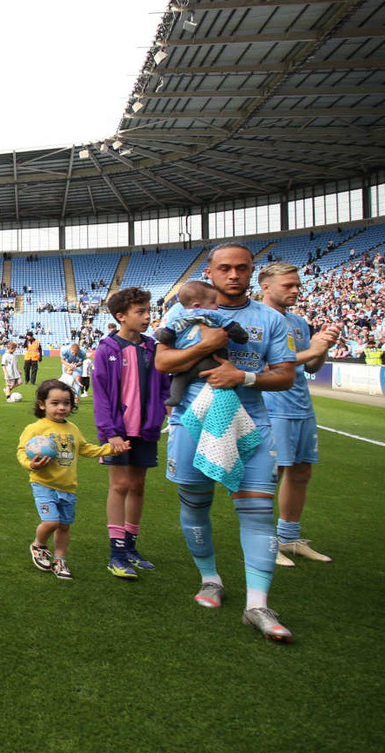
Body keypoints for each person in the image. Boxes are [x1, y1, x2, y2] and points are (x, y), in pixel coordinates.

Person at [155, 242, 297, 642]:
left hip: (251, 423)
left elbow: (285, 375)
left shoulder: (270, 320)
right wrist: (205, 345)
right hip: (190, 421)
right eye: (225, 268)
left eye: (242, 268)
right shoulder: (180, 313)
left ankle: (258, 605)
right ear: (211, 271)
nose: (234, 275)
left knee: (257, 513)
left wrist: (244, 377)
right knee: (195, 504)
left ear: (253, 272)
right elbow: (161, 362)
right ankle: (210, 578)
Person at [258, 263, 340, 566]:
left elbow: (309, 368)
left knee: (302, 472)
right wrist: (311, 350)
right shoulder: (257, 320)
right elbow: (260, 368)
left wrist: (322, 349)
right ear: (266, 286)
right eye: (288, 285)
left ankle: (289, 537)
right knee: (271, 475)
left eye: (297, 285)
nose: (295, 290)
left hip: (301, 407)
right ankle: (265, 542)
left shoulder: (298, 323)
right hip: (271, 408)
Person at [91, 287, 170, 579]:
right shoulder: (107, 349)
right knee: (120, 485)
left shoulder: (153, 348)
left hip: (146, 429)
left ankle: (132, 547)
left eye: (149, 311)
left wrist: (163, 414)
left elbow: (164, 388)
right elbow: (100, 396)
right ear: (121, 316)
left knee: (138, 486)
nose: (148, 317)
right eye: (141, 312)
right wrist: (109, 433)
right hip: (117, 432)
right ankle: (116, 553)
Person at [19, 379, 125, 580]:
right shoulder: (36, 428)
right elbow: (22, 451)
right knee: (51, 522)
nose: (62, 407)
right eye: (55, 403)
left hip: (68, 487)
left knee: (64, 526)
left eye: (66, 403)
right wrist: (30, 464)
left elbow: (85, 448)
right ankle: (39, 545)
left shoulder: (73, 429)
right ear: (42, 404)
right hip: (43, 483)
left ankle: (60, 560)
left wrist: (111, 449)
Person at [154, 281, 249, 408]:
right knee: (183, 377)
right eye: (213, 302)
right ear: (198, 305)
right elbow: (232, 327)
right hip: (207, 361)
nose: (217, 305)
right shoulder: (207, 314)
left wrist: (160, 335)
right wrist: (208, 345)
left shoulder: (181, 316)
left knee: (183, 378)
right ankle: (176, 398)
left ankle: (176, 398)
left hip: (200, 363)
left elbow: (167, 334)